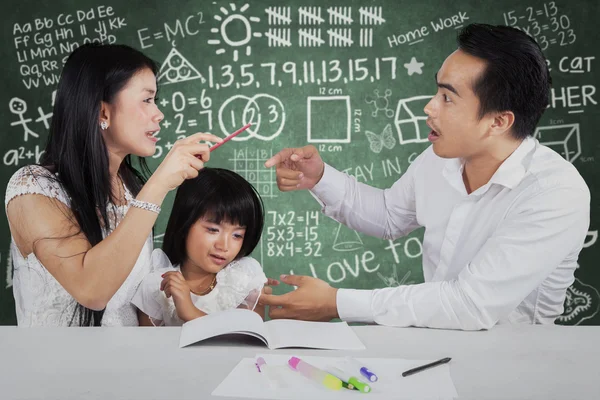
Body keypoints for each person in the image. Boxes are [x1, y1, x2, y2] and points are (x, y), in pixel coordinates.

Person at [259, 23, 591, 330]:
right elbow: (390, 215)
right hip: (433, 344)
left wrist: (337, 302)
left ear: (498, 122)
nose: (429, 107)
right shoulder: (438, 159)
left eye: (447, 97)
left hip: (516, 368)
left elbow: (470, 304)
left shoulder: (554, 193)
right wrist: (319, 177)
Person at [4, 43, 222, 326]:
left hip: (130, 366)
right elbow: (91, 291)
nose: (159, 114)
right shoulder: (33, 187)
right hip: (58, 368)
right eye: (147, 100)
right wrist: (158, 185)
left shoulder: (130, 189)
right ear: (103, 112)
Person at [131, 168, 268, 326]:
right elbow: (147, 347)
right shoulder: (157, 286)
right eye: (212, 230)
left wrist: (191, 312)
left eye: (237, 235)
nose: (224, 246)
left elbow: (247, 339)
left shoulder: (244, 276)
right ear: (184, 224)